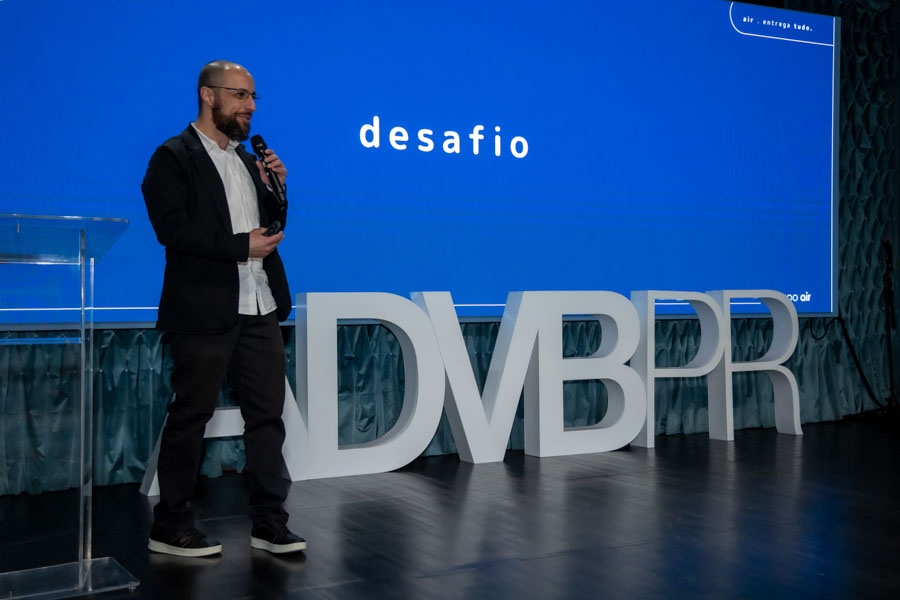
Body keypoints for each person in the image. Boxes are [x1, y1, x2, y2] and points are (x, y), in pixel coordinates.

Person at [142, 60, 304, 557]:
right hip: (204, 307)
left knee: (267, 418)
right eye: (240, 95)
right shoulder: (173, 156)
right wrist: (239, 246)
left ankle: (269, 522)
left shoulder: (247, 161)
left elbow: (269, 228)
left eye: (253, 97)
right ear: (208, 95)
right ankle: (171, 524)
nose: (250, 106)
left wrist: (276, 189)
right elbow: (172, 230)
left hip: (260, 302)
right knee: (191, 416)